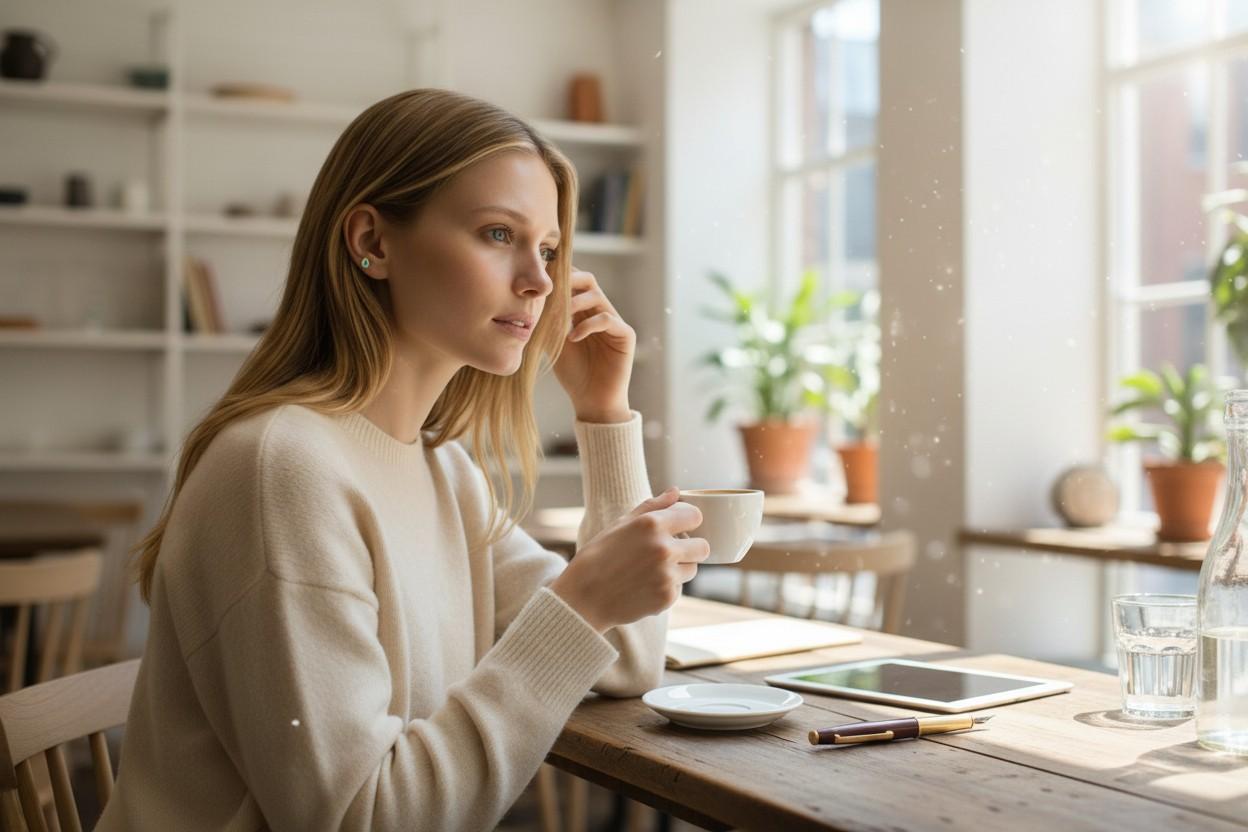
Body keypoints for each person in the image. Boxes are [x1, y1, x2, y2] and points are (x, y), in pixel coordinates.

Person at [97, 88, 709, 832]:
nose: (540, 281)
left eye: (547, 250)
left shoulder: (442, 470)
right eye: (496, 234)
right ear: (373, 242)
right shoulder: (283, 470)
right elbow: (363, 817)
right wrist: (581, 601)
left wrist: (605, 415)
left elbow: (623, 661)